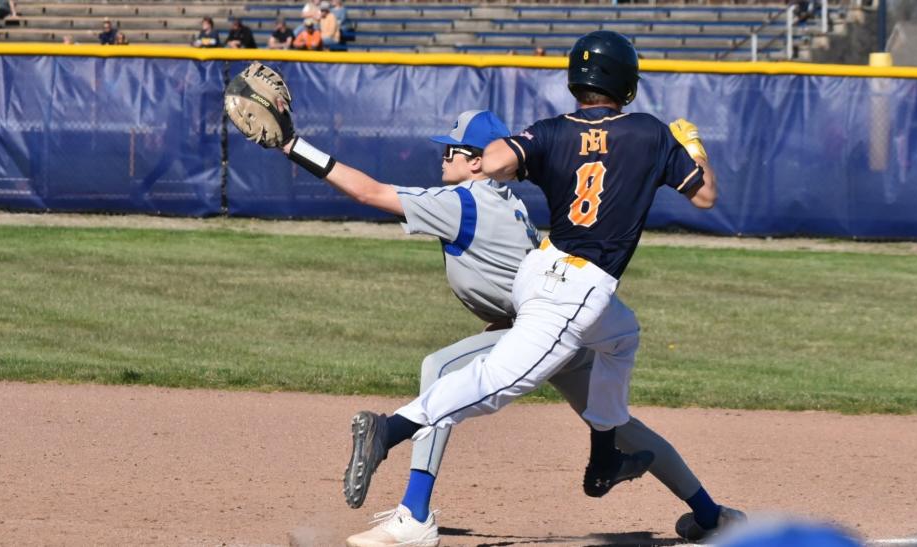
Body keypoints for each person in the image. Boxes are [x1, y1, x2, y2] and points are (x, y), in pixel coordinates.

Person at [337, 30, 746, 543]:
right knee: (498, 381)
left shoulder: (553, 130)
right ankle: (389, 429)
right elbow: (705, 195)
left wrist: (502, 157)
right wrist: (693, 148)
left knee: (622, 336)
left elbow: (502, 158)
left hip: (542, 266)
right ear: (625, 81)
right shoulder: (649, 132)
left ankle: (604, 459)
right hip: (575, 291)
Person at [272, 109, 652, 546]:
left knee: (441, 368)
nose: (442, 157)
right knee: (617, 419)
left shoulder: (461, 202)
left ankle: (412, 511)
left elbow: (367, 191)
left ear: (476, 161)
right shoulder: (509, 202)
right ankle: (706, 510)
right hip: (567, 324)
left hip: (539, 333)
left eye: (450, 150)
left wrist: (293, 146)